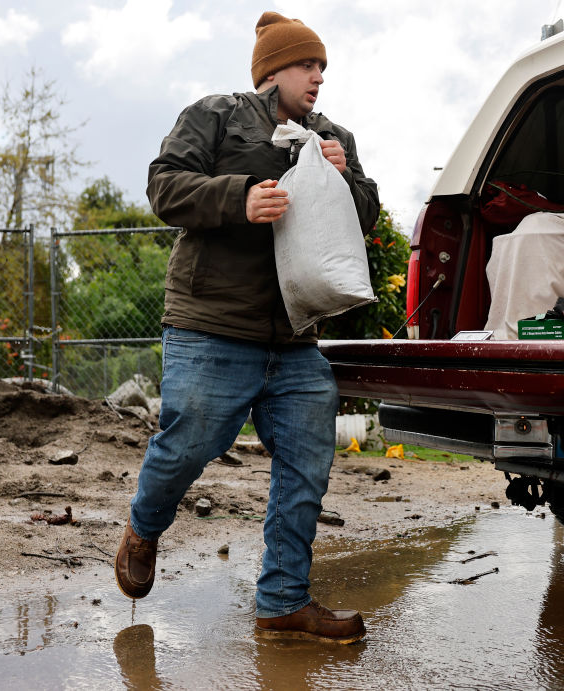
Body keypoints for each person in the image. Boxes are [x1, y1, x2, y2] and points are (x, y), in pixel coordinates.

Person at [114, 11, 379, 646]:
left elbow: (367, 215)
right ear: (272, 71)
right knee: (187, 445)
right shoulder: (217, 115)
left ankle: (283, 601)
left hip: (293, 337)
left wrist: (346, 182)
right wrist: (238, 199)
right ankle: (143, 530)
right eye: (306, 65)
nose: (318, 77)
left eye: (322, 68)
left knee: (308, 464)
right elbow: (164, 186)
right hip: (213, 325)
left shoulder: (332, 135)